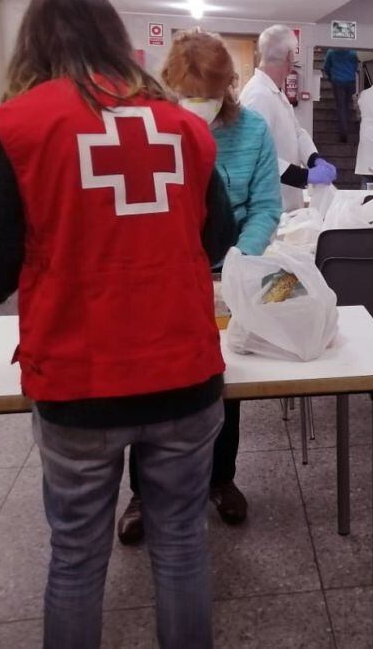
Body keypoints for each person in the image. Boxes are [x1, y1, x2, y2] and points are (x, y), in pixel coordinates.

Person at [0, 0, 235, 649]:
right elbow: (218, 236)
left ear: (32, 45)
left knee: (77, 560)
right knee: (182, 549)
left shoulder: (16, 126)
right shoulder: (182, 126)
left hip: (80, 382)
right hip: (185, 373)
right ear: (120, 41)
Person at [117, 29, 283, 546]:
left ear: (228, 87)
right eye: (190, 94)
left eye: (210, 95)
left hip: (223, 270)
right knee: (148, 385)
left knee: (221, 381)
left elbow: (265, 206)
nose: (200, 105)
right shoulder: (149, 130)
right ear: (169, 85)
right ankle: (143, 493)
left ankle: (220, 478)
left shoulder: (252, 130)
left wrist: (238, 258)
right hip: (158, 273)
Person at [241, 24, 337, 211]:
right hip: (268, 207)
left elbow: (297, 132)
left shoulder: (274, 92)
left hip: (285, 203)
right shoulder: (257, 96)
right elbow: (255, 157)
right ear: (289, 58)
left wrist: (313, 159)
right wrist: (303, 176)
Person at [322, 46, 359, 142]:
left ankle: (343, 132)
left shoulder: (331, 51)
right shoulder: (353, 52)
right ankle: (350, 126)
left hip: (337, 81)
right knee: (348, 104)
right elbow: (356, 66)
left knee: (341, 106)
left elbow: (326, 67)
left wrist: (331, 76)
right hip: (350, 81)